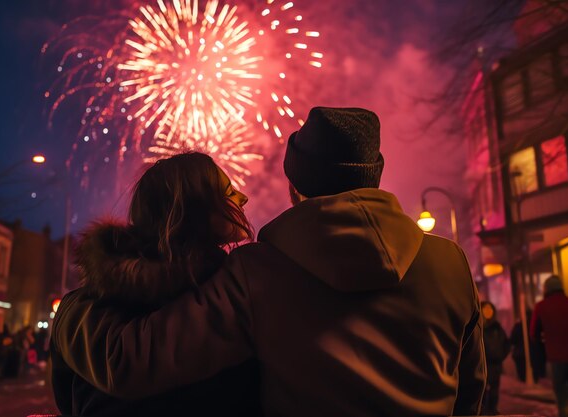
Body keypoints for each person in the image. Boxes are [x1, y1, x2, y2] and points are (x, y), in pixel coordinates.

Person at [53, 107, 486, 416]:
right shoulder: (451, 263)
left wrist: (72, 310)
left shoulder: (258, 271)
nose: (239, 199)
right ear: (374, 174)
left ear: (295, 184)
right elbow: (470, 393)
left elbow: (134, 362)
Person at [50, 152, 261, 416]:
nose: (243, 198)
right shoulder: (235, 294)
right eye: (228, 192)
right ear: (192, 209)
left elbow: (67, 400)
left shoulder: (83, 310)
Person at [530, 275, 568, 417]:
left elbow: (533, 333)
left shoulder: (541, 306)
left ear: (546, 289)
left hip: (556, 357)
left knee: (562, 394)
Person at [480, 301, 509, 415]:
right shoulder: (478, 326)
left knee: (494, 391)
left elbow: (506, 343)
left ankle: (492, 411)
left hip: (495, 365)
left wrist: (501, 355)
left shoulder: (497, 327)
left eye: (490, 309)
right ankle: (482, 411)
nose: (488, 311)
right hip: (482, 365)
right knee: (482, 391)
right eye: (485, 309)